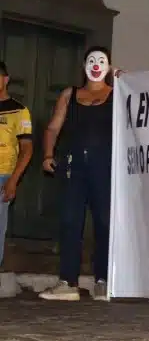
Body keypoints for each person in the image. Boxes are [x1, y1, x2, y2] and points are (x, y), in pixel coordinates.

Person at [39, 47, 120, 301]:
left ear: (108, 66)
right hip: (74, 165)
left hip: (105, 166)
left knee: (105, 223)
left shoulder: (118, 93)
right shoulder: (70, 95)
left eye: (102, 61)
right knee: (70, 221)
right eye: (92, 61)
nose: (96, 66)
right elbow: (53, 127)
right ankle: (68, 282)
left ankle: (103, 281)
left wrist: (124, 78)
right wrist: (48, 155)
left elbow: (142, 101)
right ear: (84, 64)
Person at [0, 61, 33, 269]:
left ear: (6, 79)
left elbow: (27, 149)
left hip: (3, 175)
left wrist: (13, 180)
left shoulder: (19, 111)